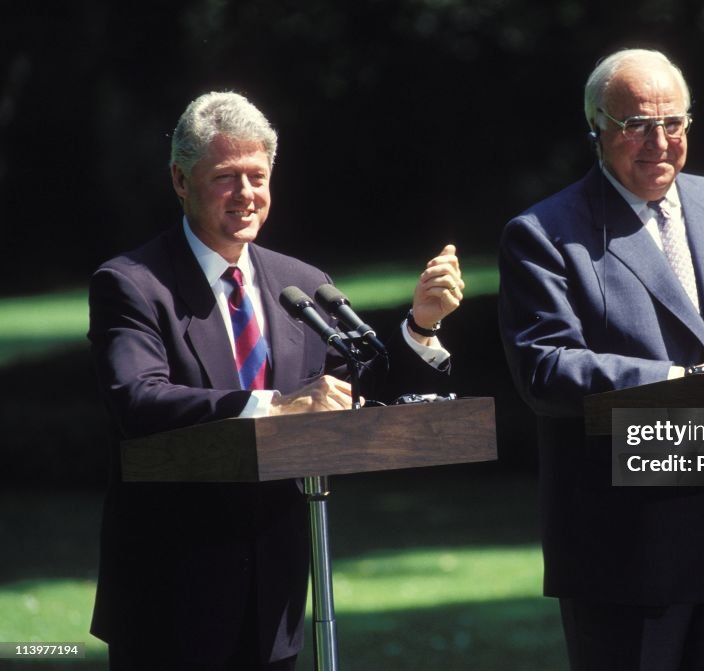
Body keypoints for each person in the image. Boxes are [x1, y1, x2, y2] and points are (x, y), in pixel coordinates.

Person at [88, 91, 464, 670]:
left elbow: (359, 388)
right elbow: (137, 399)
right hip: (169, 597)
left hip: (277, 593)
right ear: (180, 180)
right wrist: (272, 405)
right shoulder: (134, 284)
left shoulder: (303, 283)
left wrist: (421, 326)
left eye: (257, 176)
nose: (246, 194)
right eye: (225, 177)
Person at [498, 49, 704, 670]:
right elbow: (545, 368)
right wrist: (683, 382)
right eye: (635, 125)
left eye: (673, 123)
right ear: (596, 128)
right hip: (628, 550)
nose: (659, 142)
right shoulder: (544, 233)